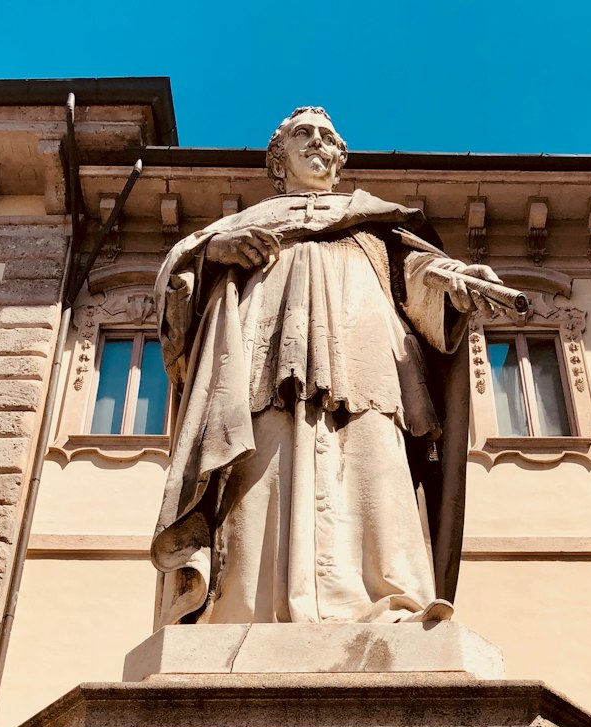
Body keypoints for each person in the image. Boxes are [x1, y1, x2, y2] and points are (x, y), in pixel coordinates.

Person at [151, 107, 524, 625]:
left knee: (375, 456)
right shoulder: (238, 225)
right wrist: (216, 251)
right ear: (278, 159)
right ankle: (244, 610)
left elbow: (414, 276)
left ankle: (392, 599)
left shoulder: (374, 220)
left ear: (340, 157)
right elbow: (178, 279)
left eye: (328, 137)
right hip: (263, 351)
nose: (317, 142)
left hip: (364, 350)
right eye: (303, 134)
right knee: (262, 460)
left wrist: (453, 283)